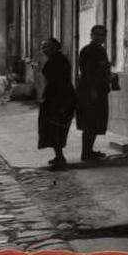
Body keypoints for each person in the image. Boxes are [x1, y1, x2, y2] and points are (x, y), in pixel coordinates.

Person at [37, 37, 77, 169]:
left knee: (57, 129)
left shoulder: (59, 61)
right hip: (55, 99)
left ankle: (60, 159)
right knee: (52, 129)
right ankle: (58, 156)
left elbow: (58, 83)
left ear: (55, 47)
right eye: (42, 47)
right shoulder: (54, 60)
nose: (44, 49)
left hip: (61, 100)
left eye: (46, 46)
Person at [76, 24, 112, 162]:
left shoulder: (100, 50)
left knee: (95, 122)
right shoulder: (87, 50)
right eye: (96, 34)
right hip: (90, 91)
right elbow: (87, 73)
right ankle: (86, 153)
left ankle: (89, 151)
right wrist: (92, 90)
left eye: (102, 35)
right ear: (91, 35)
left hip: (100, 91)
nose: (99, 37)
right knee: (90, 123)